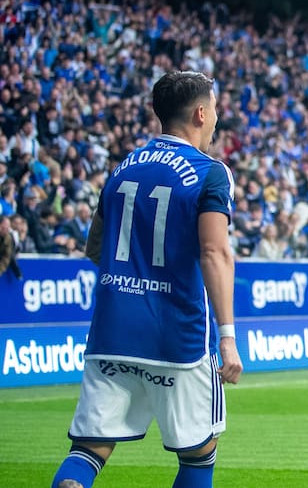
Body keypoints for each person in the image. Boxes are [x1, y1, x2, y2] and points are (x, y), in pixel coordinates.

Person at [52, 71, 242, 488]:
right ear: (199, 113)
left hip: (112, 331)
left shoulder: (122, 168)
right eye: (214, 110)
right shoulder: (211, 173)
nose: (216, 119)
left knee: (88, 449)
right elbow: (214, 251)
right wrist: (227, 336)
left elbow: (95, 247)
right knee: (199, 455)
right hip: (179, 337)